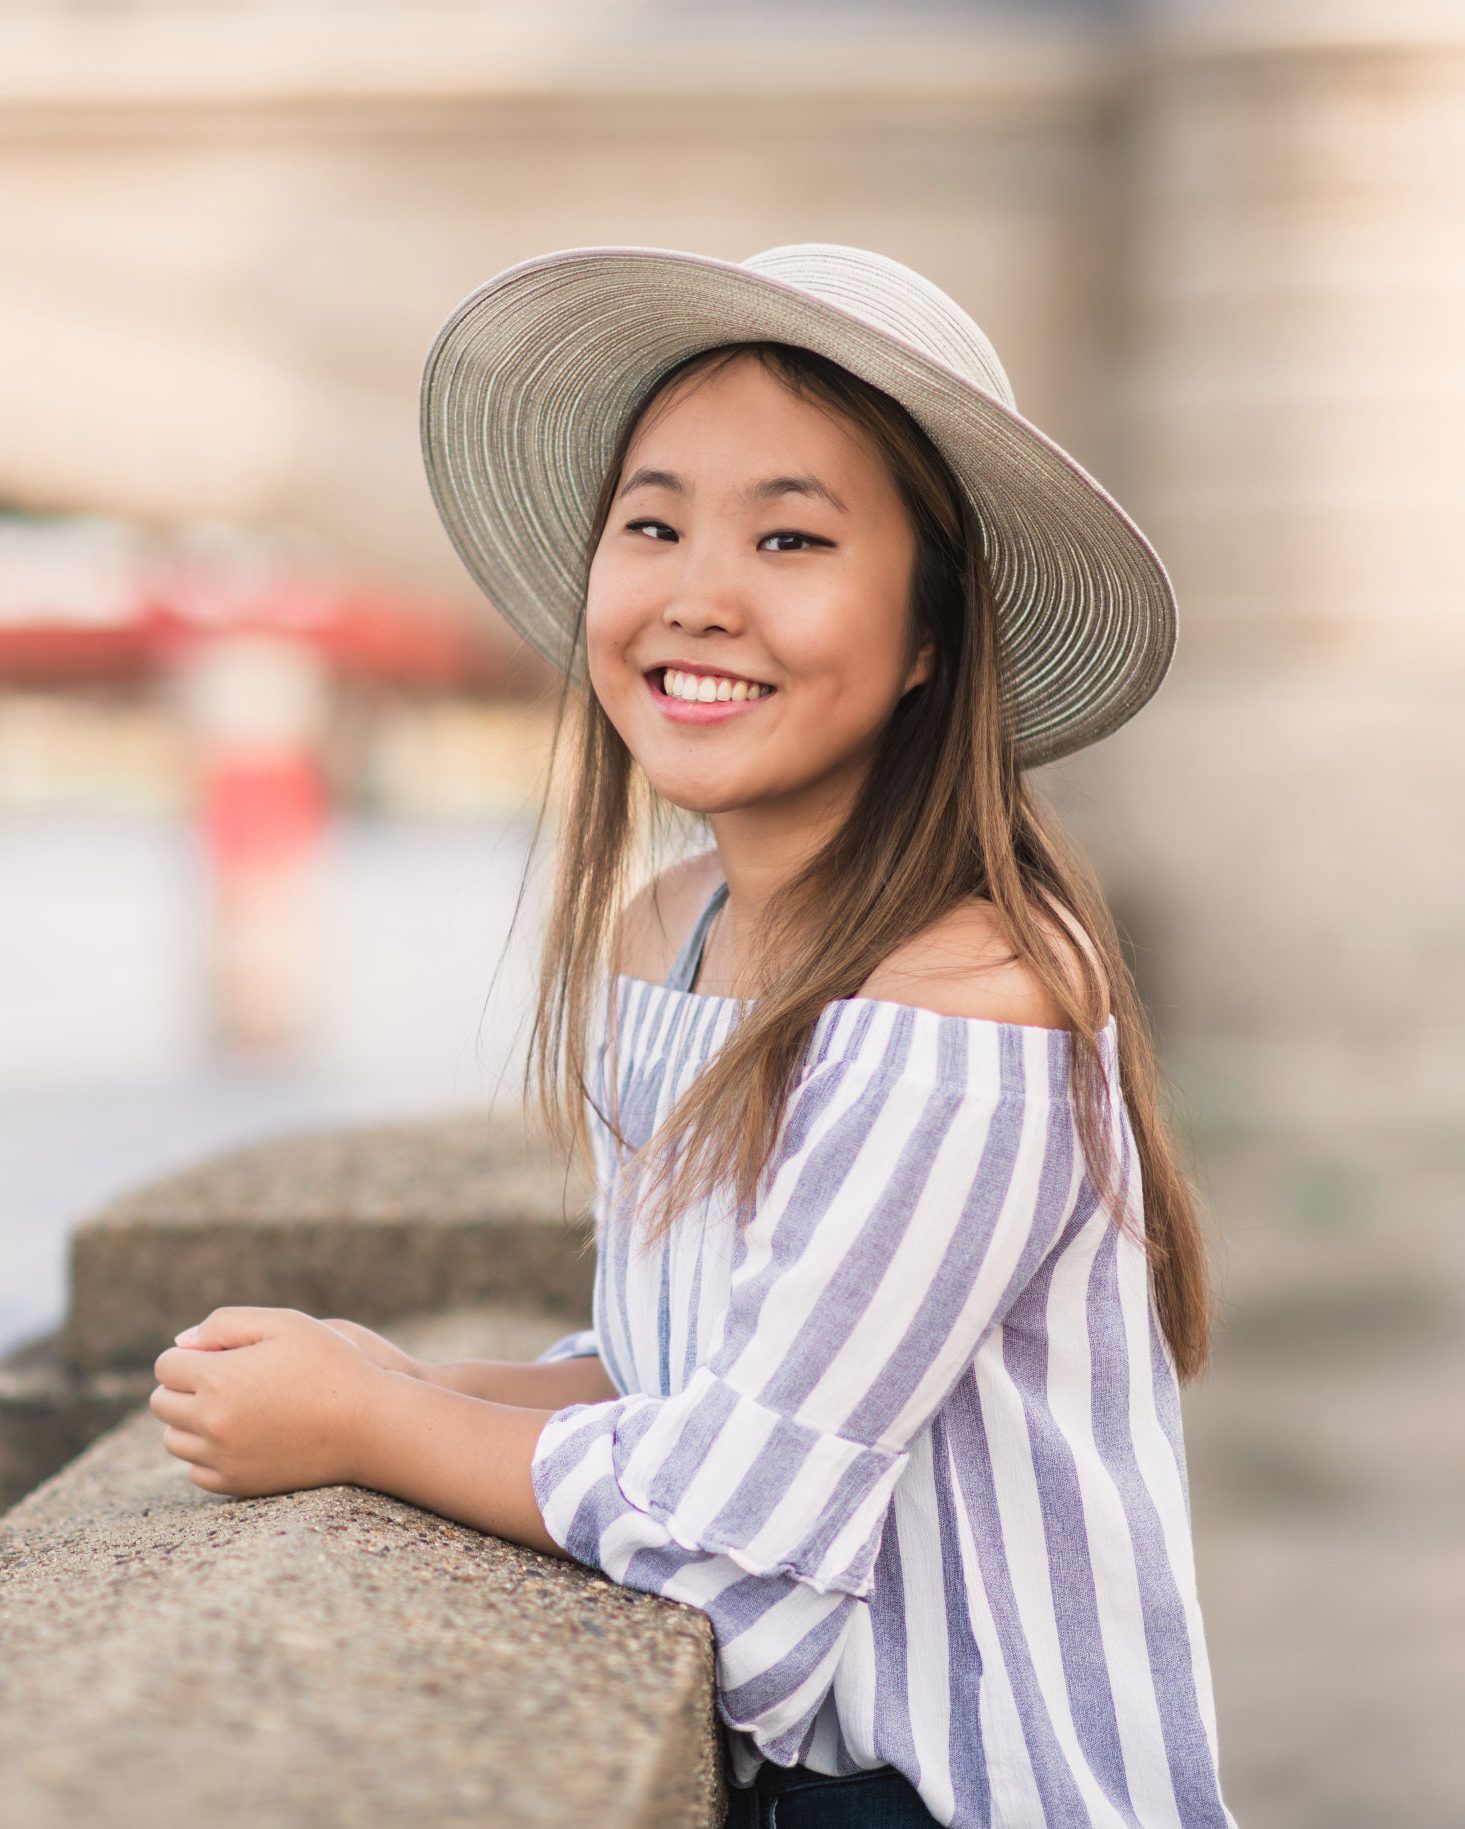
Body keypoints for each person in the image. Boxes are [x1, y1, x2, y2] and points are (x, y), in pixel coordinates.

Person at [151, 245, 1233, 1828]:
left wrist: (369, 1422)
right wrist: (409, 1374)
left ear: (933, 632)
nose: (696, 593)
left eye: (789, 535)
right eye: (651, 524)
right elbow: (693, 1376)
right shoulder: (673, 931)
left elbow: (731, 1530)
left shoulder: (968, 995)